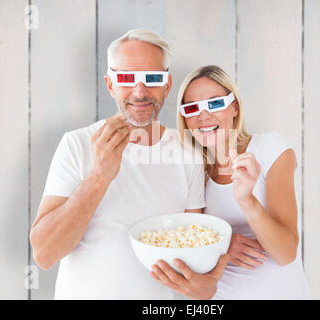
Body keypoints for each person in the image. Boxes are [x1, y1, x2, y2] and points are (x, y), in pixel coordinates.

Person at [29, 29, 227, 299]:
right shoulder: (76, 144)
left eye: (152, 78)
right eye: (126, 78)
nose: (140, 91)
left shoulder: (187, 154)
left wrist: (205, 286)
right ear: (110, 85)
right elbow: (45, 253)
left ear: (167, 85)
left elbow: (193, 252)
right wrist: (100, 176)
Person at [150, 65, 310, 299]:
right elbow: (186, 246)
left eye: (214, 104)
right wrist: (223, 242)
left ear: (234, 107)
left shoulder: (270, 149)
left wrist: (248, 201)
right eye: (192, 108)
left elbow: (285, 254)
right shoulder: (192, 169)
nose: (203, 116)